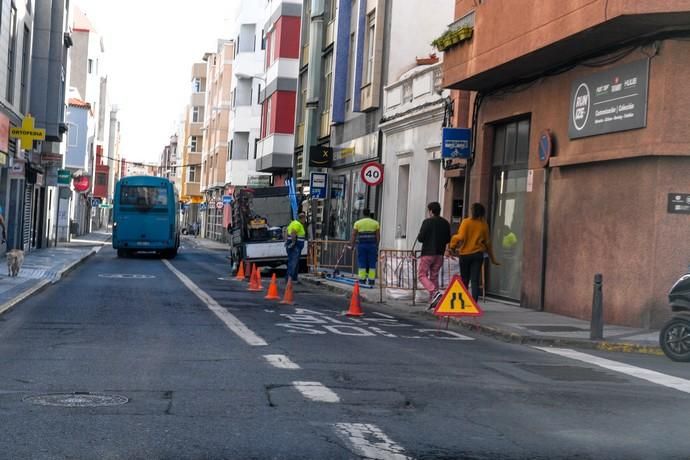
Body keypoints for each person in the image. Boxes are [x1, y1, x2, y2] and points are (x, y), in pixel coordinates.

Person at [448, 202, 498, 301]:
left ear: (472, 211)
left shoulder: (466, 222)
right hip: (477, 255)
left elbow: (460, 237)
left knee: (464, 280)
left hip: (465, 255)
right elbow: (488, 242)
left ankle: (463, 301)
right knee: (475, 280)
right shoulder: (484, 225)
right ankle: (474, 303)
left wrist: (452, 244)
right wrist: (493, 258)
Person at [416, 202, 451, 309]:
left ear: (431, 211)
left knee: (421, 275)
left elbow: (421, 238)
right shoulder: (445, 223)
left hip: (428, 252)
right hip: (439, 253)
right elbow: (448, 239)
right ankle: (434, 301)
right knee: (434, 276)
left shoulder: (427, 222)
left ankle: (434, 292)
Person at [350, 209, 380, 286]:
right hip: (372, 245)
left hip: (362, 245)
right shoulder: (375, 223)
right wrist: (376, 246)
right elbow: (378, 236)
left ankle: (362, 280)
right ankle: (371, 281)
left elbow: (353, 235)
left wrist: (352, 245)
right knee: (372, 262)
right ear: (369, 214)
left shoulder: (358, 223)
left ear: (363, 214)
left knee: (362, 262)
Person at [285, 212, 307, 283]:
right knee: (293, 262)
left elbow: (286, 231)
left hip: (294, 245)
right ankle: (290, 278)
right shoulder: (297, 224)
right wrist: (293, 242)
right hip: (296, 246)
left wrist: (286, 241)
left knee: (294, 262)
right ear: (302, 218)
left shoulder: (293, 223)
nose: (305, 220)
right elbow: (293, 232)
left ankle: (293, 278)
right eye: (304, 219)